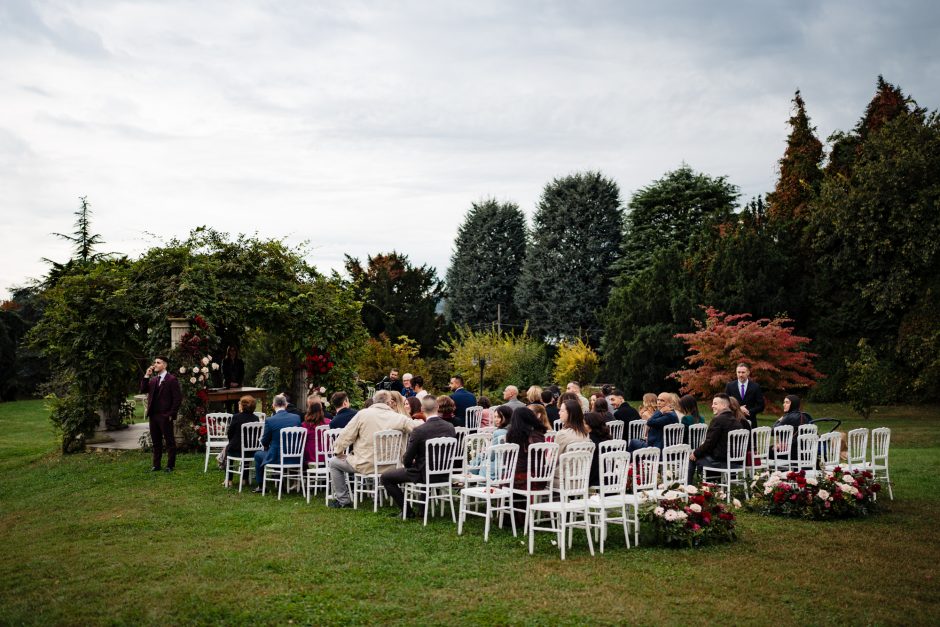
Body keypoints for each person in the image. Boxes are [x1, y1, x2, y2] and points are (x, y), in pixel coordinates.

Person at [328, 390, 421, 508]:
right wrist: (422, 419)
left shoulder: (362, 414)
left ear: (374, 401)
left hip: (365, 464)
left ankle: (343, 500)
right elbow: (416, 427)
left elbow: (346, 435)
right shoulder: (398, 418)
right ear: (389, 402)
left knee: (333, 462)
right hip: (391, 466)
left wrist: (338, 451)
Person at [380, 396, 457, 518]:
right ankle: (421, 510)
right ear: (437, 407)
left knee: (386, 477)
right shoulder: (450, 427)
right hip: (444, 473)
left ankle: (407, 511)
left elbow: (407, 459)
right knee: (423, 465)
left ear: (422, 409)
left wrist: (410, 465)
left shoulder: (419, 430)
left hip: (422, 473)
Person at [139, 355, 183, 472]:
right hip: (153, 416)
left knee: (169, 442)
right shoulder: (153, 380)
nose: (155, 365)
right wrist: (147, 375)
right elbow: (143, 389)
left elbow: (177, 399)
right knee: (156, 442)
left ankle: (170, 465)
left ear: (164, 365)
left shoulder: (171, 379)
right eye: (155, 362)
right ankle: (156, 465)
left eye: (158, 362)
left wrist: (171, 414)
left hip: (165, 416)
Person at [506, 406, 548, 524]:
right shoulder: (539, 435)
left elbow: (511, 461)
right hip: (541, 479)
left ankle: (513, 518)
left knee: (504, 480)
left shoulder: (513, 436)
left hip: (523, 479)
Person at [252, 394, 303, 492]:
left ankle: (261, 485)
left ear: (273, 405)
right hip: (296, 457)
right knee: (274, 450)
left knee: (258, 455)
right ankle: (280, 482)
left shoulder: (270, 420)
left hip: (278, 458)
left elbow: (265, 441)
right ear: (286, 405)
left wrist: (267, 445)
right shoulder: (296, 418)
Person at [689, 393, 740, 482]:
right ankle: (712, 485)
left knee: (691, 458)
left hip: (720, 461)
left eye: (715, 404)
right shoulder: (736, 421)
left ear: (724, 405)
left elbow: (709, 443)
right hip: (734, 462)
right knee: (703, 455)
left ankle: (687, 487)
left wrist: (695, 453)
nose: (712, 406)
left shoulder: (718, 420)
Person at [224, 395, 260, 487]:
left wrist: (232, 441)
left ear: (242, 406)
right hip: (251, 450)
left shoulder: (236, 417)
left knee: (228, 450)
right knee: (244, 453)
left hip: (237, 449)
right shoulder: (256, 418)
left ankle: (229, 480)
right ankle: (244, 479)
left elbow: (230, 433)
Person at [554, 398, 590, 485]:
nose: (559, 413)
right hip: (582, 479)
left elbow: (554, 460)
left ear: (570, 414)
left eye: (562, 411)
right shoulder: (586, 434)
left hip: (563, 480)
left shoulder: (562, 434)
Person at [726, 362, 765, 428]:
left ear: (748, 373)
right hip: (734, 422)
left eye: (743, 372)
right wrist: (739, 409)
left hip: (751, 422)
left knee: (751, 439)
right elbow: (726, 403)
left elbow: (761, 406)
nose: (740, 375)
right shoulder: (730, 386)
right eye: (738, 372)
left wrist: (748, 411)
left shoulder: (755, 387)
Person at [773, 394, 808, 459]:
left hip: (790, 451)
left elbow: (773, 431)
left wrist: (778, 421)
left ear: (793, 404)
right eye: (784, 402)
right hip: (804, 450)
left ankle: (777, 469)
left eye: (787, 402)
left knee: (770, 451)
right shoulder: (804, 416)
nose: (784, 404)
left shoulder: (788, 417)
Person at [301, 399, 331, 469]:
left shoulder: (305, 425)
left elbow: (302, 441)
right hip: (326, 455)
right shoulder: (329, 422)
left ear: (309, 411)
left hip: (311, 456)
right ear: (321, 411)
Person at [585, 411, 611, 486]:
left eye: (583, 423)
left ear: (590, 425)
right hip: (608, 476)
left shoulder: (589, 441)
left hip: (594, 477)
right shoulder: (606, 438)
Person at [221, 346, 246, 413]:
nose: (233, 352)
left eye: (234, 350)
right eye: (231, 350)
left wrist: (238, 383)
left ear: (236, 351)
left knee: (237, 404)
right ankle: (229, 420)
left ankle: (236, 419)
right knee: (228, 405)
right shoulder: (225, 361)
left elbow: (242, 373)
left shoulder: (240, 361)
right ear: (228, 352)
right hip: (228, 385)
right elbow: (224, 373)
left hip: (238, 385)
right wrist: (230, 383)